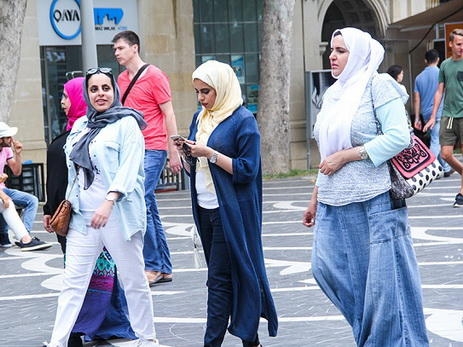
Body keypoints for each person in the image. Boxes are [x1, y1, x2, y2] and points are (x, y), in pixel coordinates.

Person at [302, 28, 429, 346]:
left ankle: (387, 341)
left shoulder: (377, 85)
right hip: (334, 199)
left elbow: (399, 137)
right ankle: (372, 335)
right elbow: (326, 152)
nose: (332, 55)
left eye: (341, 51)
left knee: (385, 286)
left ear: (358, 54)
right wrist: (315, 198)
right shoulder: (334, 94)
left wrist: (348, 156)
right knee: (325, 268)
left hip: (375, 200)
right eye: (332, 50)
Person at [46, 67, 159, 347]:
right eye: (94, 89)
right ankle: (57, 342)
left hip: (118, 215)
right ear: (87, 93)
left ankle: (148, 339)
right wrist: (66, 206)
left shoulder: (127, 124)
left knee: (133, 280)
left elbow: (129, 170)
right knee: (73, 282)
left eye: (105, 88)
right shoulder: (82, 125)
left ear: (114, 91)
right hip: (83, 219)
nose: (100, 94)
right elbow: (75, 173)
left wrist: (109, 202)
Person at [174, 59, 277, 347]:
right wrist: (187, 152)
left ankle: (213, 342)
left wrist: (210, 153)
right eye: (197, 92)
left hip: (231, 210)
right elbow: (197, 163)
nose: (201, 98)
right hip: (205, 207)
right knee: (235, 272)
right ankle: (250, 339)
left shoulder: (243, 120)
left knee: (218, 279)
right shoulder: (200, 118)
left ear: (222, 88)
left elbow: (248, 170)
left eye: (206, 92)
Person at [112, 30, 181, 286]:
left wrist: (173, 149)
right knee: (148, 203)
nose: (117, 52)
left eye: (120, 48)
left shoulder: (155, 75)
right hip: (133, 148)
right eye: (115, 49)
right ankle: (162, 266)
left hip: (153, 147)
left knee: (140, 199)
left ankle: (153, 265)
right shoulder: (120, 79)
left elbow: (169, 113)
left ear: (135, 48)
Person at [0, 122, 50, 250]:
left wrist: (18, 153)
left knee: (32, 200)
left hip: (2, 188)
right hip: (1, 192)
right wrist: (4, 196)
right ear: (0, 139)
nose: (11, 139)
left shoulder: (6, 150)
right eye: (8, 137)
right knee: (6, 202)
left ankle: (24, 235)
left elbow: (16, 172)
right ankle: (14, 237)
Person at [429, 28, 463, 207]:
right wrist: (433, 115)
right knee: (446, 154)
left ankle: (462, 193)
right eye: (458, 44)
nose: (461, 47)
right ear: (450, 44)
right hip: (449, 115)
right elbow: (439, 91)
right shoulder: (445, 65)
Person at [413, 49, 453, 177]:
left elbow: (416, 99)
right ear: (438, 60)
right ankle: (427, 168)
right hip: (440, 112)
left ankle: (445, 168)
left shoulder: (418, 77)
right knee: (436, 141)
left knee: (437, 139)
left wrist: (417, 118)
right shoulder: (442, 73)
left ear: (425, 61)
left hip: (425, 114)